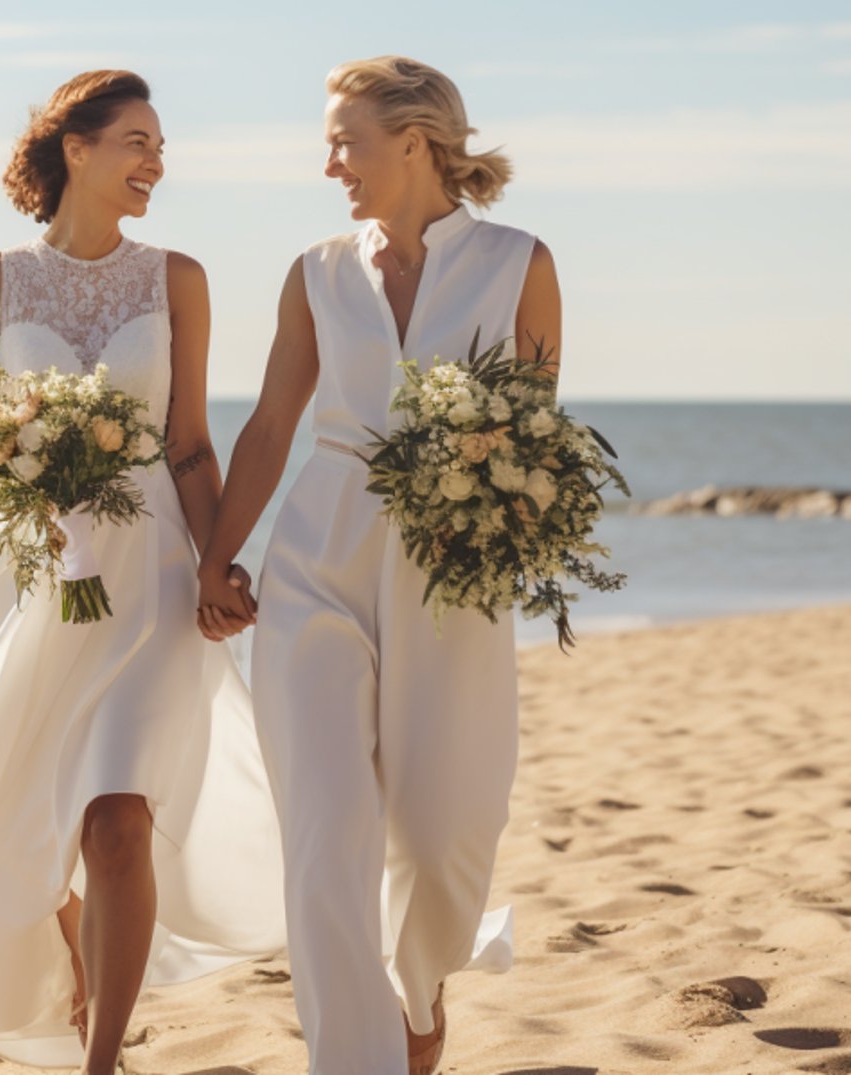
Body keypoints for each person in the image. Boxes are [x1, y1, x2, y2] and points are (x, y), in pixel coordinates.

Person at [0, 69, 286, 1074]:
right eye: (137, 143)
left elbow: (188, 443)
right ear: (77, 148)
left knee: (117, 818)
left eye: (160, 148)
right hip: (32, 577)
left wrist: (217, 562)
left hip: (148, 574)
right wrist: (41, 481)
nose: (156, 163)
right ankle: (64, 949)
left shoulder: (177, 278)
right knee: (36, 818)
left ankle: (103, 1059)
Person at [196, 55, 562, 1075]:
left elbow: (537, 431)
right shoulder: (316, 271)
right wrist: (219, 557)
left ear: (414, 143)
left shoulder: (518, 262)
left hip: (456, 571)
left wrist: (501, 515)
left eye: (343, 141)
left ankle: (423, 980)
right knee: (324, 831)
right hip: (319, 557)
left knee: (446, 832)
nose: (329, 164)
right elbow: (272, 424)